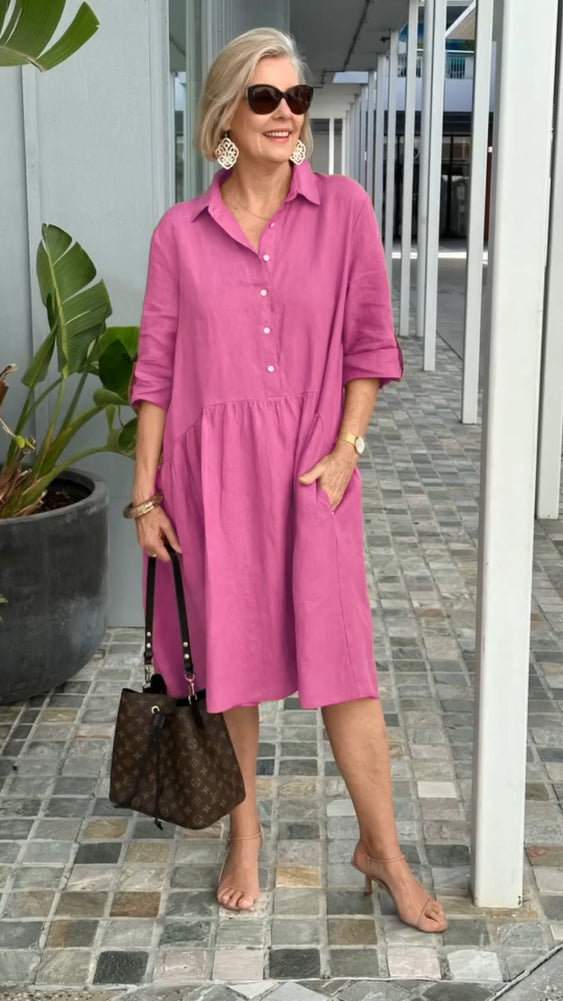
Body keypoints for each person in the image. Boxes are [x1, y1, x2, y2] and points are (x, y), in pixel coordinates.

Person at [128, 27, 447, 934]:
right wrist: (146, 495)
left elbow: (368, 345)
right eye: (264, 98)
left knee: (345, 666)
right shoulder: (180, 233)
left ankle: (381, 848)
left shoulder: (343, 209)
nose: (284, 114)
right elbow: (155, 373)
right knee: (228, 669)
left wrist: (347, 449)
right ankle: (246, 835)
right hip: (210, 482)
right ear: (225, 114)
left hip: (313, 471)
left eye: (295, 98)